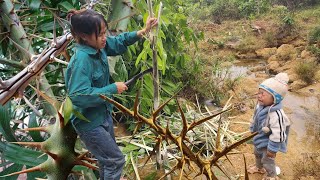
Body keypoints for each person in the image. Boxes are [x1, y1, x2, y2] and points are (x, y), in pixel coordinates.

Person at [64, 9, 157, 180]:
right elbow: (78, 95)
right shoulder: (82, 60)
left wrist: (142, 32)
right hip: (89, 123)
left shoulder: (99, 45)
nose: (104, 38)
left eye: (105, 32)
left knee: (106, 160)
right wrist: (112, 88)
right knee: (115, 160)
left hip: (103, 115)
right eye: (99, 34)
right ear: (84, 36)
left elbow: (118, 42)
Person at [248, 73, 291, 180]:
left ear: (275, 98)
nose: (259, 96)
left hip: (269, 143)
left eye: (263, 94)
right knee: (257, 154)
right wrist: (252, 128)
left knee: (267, 160)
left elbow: (279, 133)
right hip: (259, 138)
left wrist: (272, 149)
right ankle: (259, 168)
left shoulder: (276, 114)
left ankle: (272, 176)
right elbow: (255, 118)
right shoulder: (260, 106)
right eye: (258, 92)